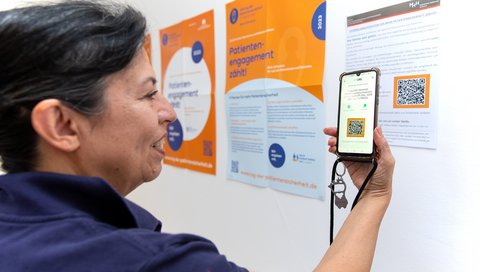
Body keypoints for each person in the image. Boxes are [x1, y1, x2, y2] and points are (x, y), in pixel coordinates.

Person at [0, 1, 395, 271]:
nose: (168, 112)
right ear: (62, 124)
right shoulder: (140, 260)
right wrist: (375, 194)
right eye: (148, 92)